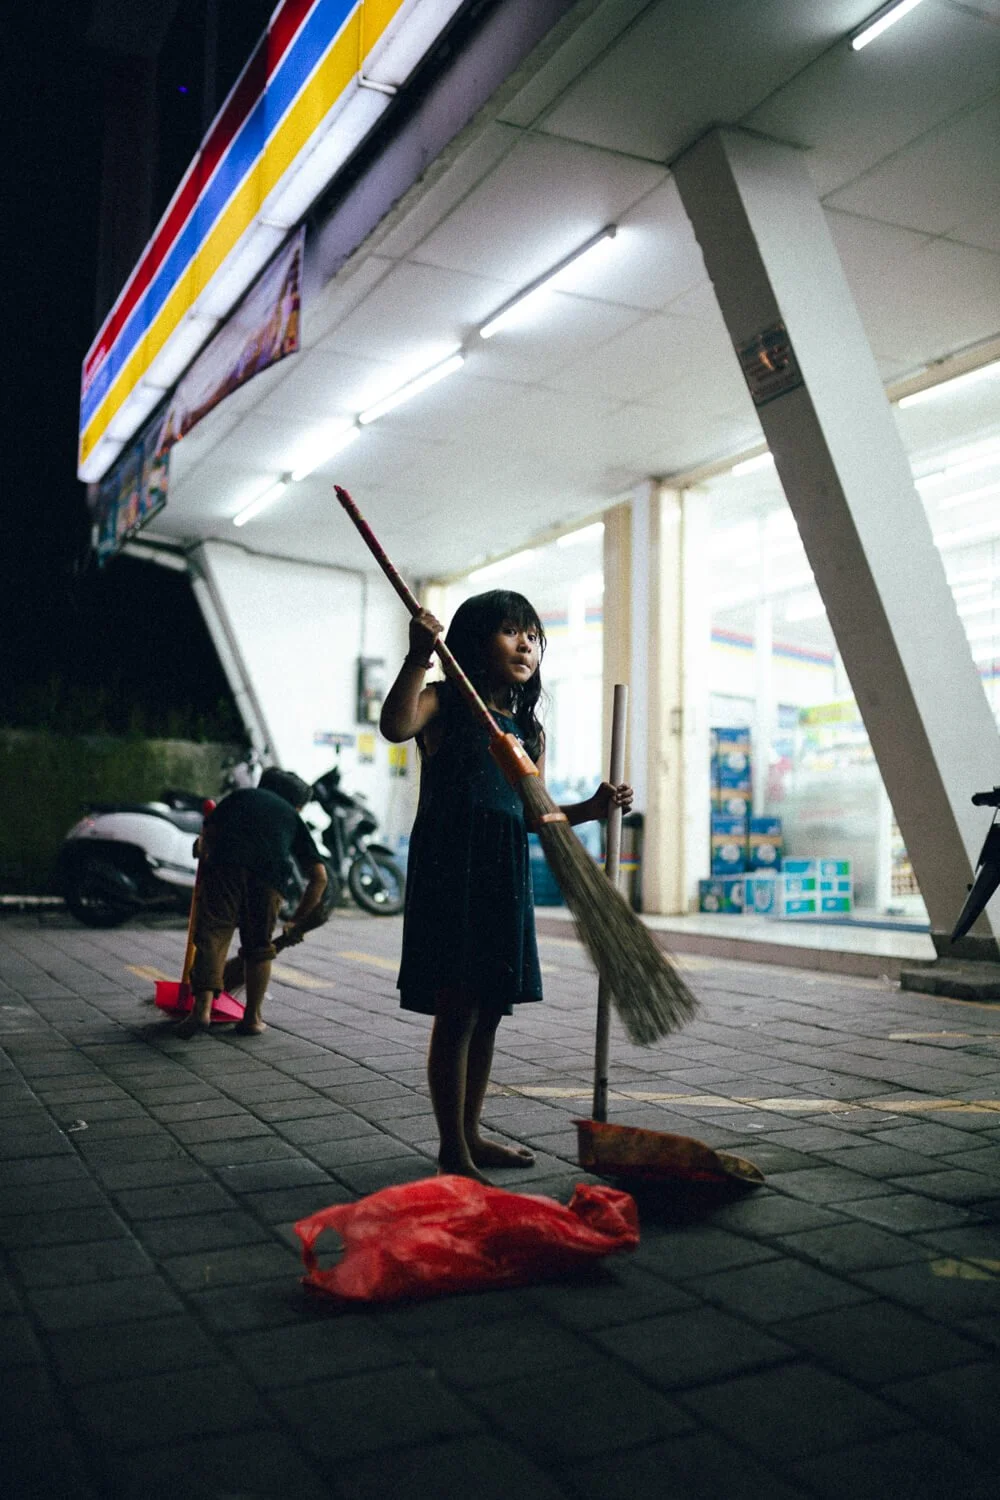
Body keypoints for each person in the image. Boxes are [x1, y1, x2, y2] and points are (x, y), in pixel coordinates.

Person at [380, 589, 633, 1180]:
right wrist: (418, 655)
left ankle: (471, 1134)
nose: (527, 644)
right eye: (511, 632)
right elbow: (394, 726)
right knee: (458, 1009)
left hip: (503, 871)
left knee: (490, 1008)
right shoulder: (441, 704)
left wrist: (592, 809)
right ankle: (454, 1149)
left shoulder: (526, 730)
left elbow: (530, 811)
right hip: (453, 867)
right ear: (472, 641)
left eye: (534, 636)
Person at [176, 768, 328, 1040]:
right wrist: (298, 921)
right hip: (269, 880)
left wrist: (201, 848)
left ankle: (202, 1010)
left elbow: (204, 840)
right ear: (295, 804)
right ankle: (252, 1018)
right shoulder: (291, 815)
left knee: (213, 935)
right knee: (258, 947)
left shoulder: (239, 797)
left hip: (225, 870)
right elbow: (319, 877)